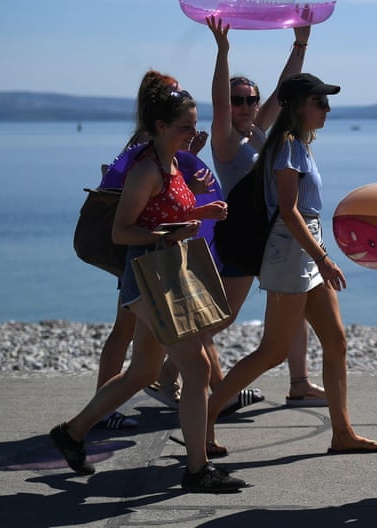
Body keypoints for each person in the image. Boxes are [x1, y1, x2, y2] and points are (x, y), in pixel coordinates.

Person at [50, 72, 246, 493]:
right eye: (185, 126)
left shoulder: (172, 162)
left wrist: (202, 213)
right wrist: (170, 234)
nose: (194, 133)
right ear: (160, 126)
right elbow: (123, 231)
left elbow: (164, 214)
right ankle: (197, 469)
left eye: (195, 125)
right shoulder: (145, 169)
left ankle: (72, 433)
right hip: (149, 276)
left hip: (166, 273)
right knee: (196, 370)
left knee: (142, 371)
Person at [148, 17, 327, 413]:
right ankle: (167, 372)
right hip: (242, 237)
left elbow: (284, 93)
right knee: (223, 316)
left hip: (270, 235)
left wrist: (300, 46)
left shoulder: (260, 133)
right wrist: (222, 51)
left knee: (292, 303)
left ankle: (299, 383)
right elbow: (217, 99)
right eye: (237, 100)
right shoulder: (228, 141)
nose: (245, 106)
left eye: (251, 99)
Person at [204, 73, 377, 456]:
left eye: (326, 102)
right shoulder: (286, 145)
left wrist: (320, 253)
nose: (326, 109)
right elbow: (288, 212)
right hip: (290, 252)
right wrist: (324, 258)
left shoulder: (298, 144)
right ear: (297, 106)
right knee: (272, 351)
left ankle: (342, 433)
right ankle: (203, 419)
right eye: (319, 102)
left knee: (336, 341)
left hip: (307, 247)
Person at [95, 72, 259, 430]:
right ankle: (98, 415)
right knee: (138, 341)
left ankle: (88, 421)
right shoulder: (147, 150)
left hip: (163, 262)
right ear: (159, 111)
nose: (190, 130)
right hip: (147, 264)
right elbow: (138, 212)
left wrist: (196, 194)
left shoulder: (164, 146)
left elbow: (168, 199)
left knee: (146, 363)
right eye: (184, 123)